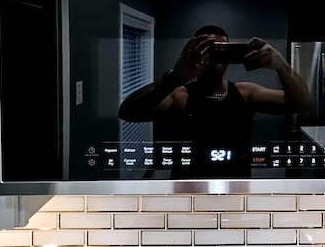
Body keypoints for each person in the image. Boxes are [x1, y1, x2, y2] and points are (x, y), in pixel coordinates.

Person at [118, 25, 311, 177]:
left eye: (221, 51)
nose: (215, 58)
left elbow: (301, 104)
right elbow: (127, 111)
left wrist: (280, 64)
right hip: (187, 189)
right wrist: (174, 77)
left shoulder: (246, 93)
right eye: (209, 51)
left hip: (237, 188)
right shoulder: (179, 95)